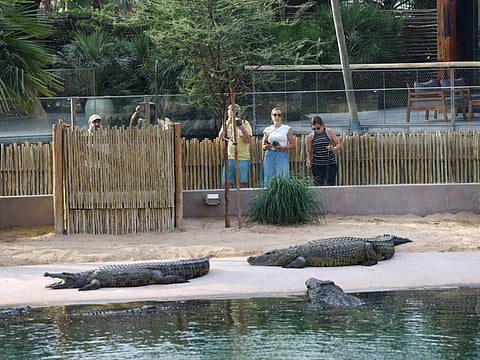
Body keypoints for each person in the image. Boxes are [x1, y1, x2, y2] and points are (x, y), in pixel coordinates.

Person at [218, 104, 252, 188]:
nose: (232, 113)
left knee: (242, 182)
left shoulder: (245, 123)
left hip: (243, 157)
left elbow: (248, 140)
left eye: (235, 111)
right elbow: (220, 137)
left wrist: (241, 127)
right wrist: (228, 122)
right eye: (230, 111)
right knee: (226, 182)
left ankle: (242, 200)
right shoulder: (226, 124)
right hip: (230, 157)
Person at [262, 107, 295, 185]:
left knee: (283, 178)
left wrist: (282, 147)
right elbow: (263, 146)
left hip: (281, 154)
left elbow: (293, 144)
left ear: (281, 117)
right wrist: (267, 146)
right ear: (271, 116)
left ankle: (283, 196)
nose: (277, 117)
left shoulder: (287, 129)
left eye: (279, 115)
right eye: (275, 115)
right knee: (269, 178)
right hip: (270, 154)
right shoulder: (267, 129)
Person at [306, 115, 341, 186]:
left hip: (330, 163)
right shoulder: (310, 136)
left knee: (330, 185)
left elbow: (338, 144)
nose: (316, 130)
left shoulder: (329, 132)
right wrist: (308, 160)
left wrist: (333, 148)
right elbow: (309, 151)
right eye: (314, 129)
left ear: (322, 125)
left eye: (318, 128)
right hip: (317, 165)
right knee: (318, 185)